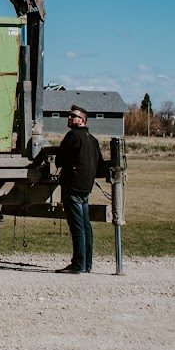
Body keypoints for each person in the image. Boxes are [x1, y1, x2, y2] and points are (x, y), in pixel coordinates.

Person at [55, 105, 102, 273]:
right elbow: (100, 163)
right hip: (86, 187)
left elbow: (59, 160)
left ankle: (78, 265)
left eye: (73, 116)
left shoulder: (72, 136)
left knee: (77, 227)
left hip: (72, 186)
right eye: (69, 115)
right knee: (85, 225)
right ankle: (87, 264)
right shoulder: (93, 139)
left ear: (82, 120)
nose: (69, 118)